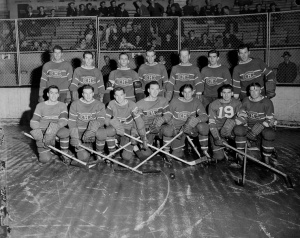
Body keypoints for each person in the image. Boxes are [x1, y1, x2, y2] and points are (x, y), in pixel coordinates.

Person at [160, 84, 210, 160]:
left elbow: (205, 116)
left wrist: (196, 120)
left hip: (190, 128)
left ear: (193, 92)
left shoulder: (196, 101)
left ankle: (204, 151)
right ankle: (166, 153)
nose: (187, 95)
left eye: (189, 92)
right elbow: (168, 114)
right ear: (182, 93)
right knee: (177, 156)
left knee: (203, 126)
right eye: (185, 92)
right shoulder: (175, 100)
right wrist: (170, 123)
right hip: (177, 131)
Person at [232, 83, 277, 167]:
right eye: (251, 90)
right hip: (248, 125)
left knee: (269, 134)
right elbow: (242, 113)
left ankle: (267, 158)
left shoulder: (267, 102)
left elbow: (270, 119)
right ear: (249, 91)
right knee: (238, 129)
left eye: (256, 90)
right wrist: (241, 121)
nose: (253, 92)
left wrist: (256, 130)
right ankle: (240, 156)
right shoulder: (245, 100)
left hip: (262, 126)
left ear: (260, 91)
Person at [100, 87, 147, 161]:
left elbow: (139, 121)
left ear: (125, 95)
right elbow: (106, 119)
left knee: (126, 157)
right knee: (109, 130)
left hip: (128, 130)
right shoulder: (111, 103)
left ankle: (134, 148)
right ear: (114, 96)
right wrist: (113, 122)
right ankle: (112, 153)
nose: (119, 98)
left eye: (121, 95)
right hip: (117, 129)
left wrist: (143, 137)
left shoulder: (132, 104)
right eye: (117, 95)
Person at [30, 85, 70, 163]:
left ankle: (64, 154)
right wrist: (38, 132)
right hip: (43, 129)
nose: (54, 95)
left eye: (56, 93)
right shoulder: (40, 105)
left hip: (56, 127)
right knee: (44, 160)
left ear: (58, 94)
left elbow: (64, 120)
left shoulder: (62, 105)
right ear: (47, 94)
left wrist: (54, 129)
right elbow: (33, 121)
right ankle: (51, 147)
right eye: (51, 93)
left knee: (66, 132)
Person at [69, 85, 107, 162]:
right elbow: (72, 122)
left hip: (93, 131)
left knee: (102, 132)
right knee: (83, 158)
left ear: (93, 93)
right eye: (86, 93)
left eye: (90, 93)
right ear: (82, 94)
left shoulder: (100, 104)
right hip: (80, 131)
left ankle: (99, 152)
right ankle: (87, 146)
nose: (88, 96)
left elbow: (102, 120)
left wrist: (92, 128)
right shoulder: (75, 104)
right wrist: (74, 137)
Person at [136, 81, 169, 159]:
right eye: (152, 89)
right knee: (146, 154)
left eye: (157, 89)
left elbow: (168, 114)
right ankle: (149, 146)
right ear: (148, 90)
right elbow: (138, 121)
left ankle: (166, 152)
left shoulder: (163, 100)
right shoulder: (140, 103)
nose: (155, 91)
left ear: (159, 90)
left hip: (159, 125)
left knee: (168, 129)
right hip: (147, 129)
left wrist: (163, 119)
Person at [208, 84, 242, 161]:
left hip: (231, 129)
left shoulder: (237, 103)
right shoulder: (213, 104)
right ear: (221, 94)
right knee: (219, 157)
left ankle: (231, 145)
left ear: (232, 93)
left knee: (239, 131)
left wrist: (234, 122)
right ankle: (223, 145)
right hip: (217, 129)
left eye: (229, 92)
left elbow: (242, 118)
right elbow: (211, 123)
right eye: (224, 93)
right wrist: (216, 137)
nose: (226, 95)